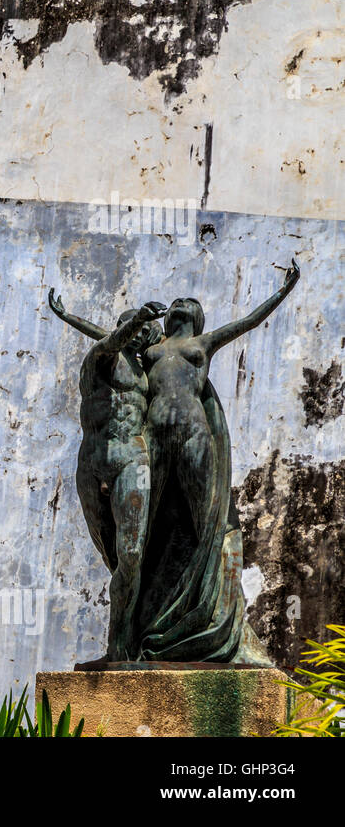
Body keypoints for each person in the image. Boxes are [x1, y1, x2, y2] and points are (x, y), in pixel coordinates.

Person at [136, 262, 298, 663]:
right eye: (178, 303)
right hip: (153, 436)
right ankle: (142, 620)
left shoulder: (203, 343)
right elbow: (108, 342)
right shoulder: (149, 348)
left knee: (205, 522)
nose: (183, 305)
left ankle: (213, 614)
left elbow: (248, 320)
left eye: (190, 304)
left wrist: (285, 289)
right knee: (148, 526)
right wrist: (68, 316)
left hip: (193, 433)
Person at [49, 292, 164, 660]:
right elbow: (108, 341)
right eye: (146, 331)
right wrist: (135, 322)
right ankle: (124, 643)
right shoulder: (99, 359)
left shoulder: (146, 372)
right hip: (94, 464)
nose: (150, 337)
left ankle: (121, 648)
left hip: (133, 460)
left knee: (130, 555)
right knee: (114, 562)